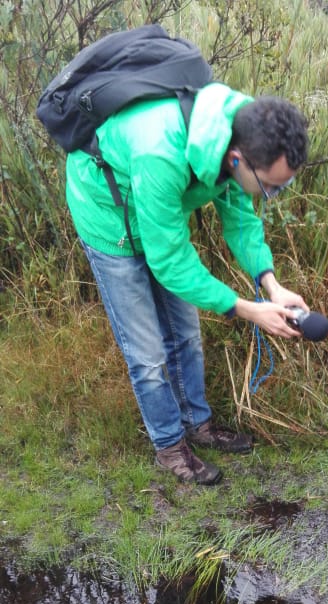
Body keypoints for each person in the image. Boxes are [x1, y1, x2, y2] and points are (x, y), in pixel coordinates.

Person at [65, 83, 310, 485]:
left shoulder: (237, 133)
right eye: (272, 187)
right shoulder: (161, 151)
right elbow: (170, 261)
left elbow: (241, 220)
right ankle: (169, 446)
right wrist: (247, 309)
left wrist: (271, 285)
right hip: (109, 218)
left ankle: (198, 425)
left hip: (156, 210)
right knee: (147, 354)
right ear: (237, 158)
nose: (275, 195)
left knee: (186, 334)